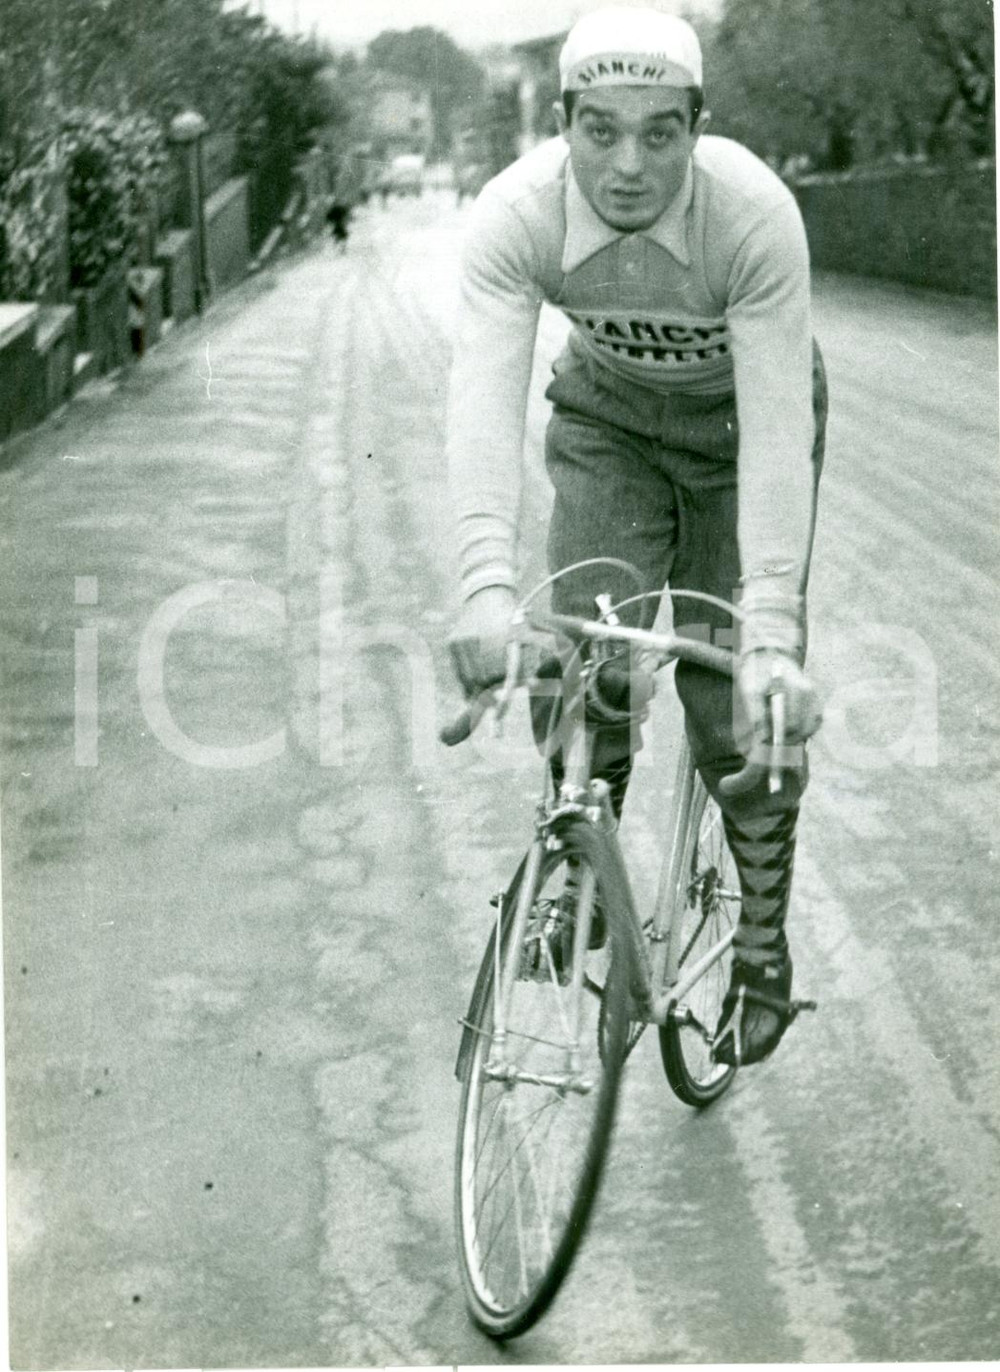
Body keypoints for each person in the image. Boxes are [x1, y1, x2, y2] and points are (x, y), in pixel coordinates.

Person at [444, 6, 829, 1068]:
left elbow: (777, 432)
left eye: (660, 132)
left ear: (696, 129)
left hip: (737, 432)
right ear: (560, 122)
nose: (627, 164)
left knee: (733, 702)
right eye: (599, 129)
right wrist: (482, 588)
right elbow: (482, 400)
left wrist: (772, 632)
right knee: (580, 655)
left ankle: (759, 937)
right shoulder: (518, 215)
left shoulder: (749, 216)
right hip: (608, 423)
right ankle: (580, 864)